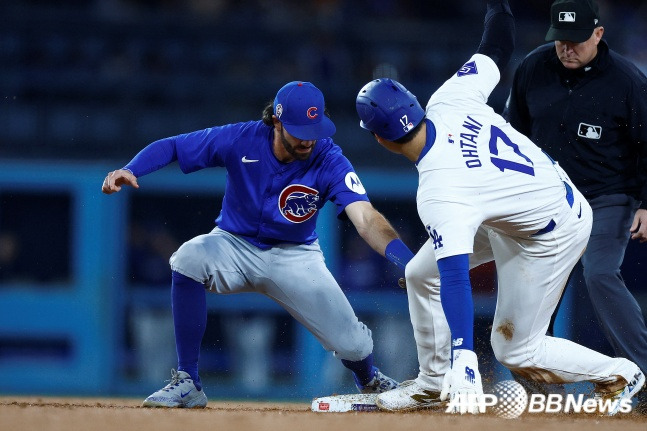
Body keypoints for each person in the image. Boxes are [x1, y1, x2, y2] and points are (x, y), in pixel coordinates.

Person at [354, 0, 645, 415]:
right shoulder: (450, 97)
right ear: (414, 105)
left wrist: (465, 359)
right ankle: (432, 383)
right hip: (513, 204)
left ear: (380, 139)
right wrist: (499, 4)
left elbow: (456, 278)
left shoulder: (439, 191)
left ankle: (619, 372)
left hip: (551, 230)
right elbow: (497, 43)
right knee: (421, 273)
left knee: (514, 348)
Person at [102, 81, 415, 408]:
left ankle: (369, 379)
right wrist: (130, 169)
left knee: (353, 345)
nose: (308, 138)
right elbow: (174, 147)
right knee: (187, 258)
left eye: (315, 128)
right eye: (299, 130)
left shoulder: (328, 158)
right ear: (276, 122)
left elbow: (365, 218)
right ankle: (188, 382)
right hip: (233, 245)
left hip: (295, 256)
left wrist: (407, 260)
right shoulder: (241, 138)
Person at [503, 0, 647, 410]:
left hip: (608, 197)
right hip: (548, 202)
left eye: (577, 41)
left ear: (598, 35)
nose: (567, 48)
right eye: (560, 40)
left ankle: (643, 375)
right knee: (530, 290)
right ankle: (543, 394)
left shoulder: (627, 81)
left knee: (600, 272)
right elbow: (513, 137)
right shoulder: (532, 68)